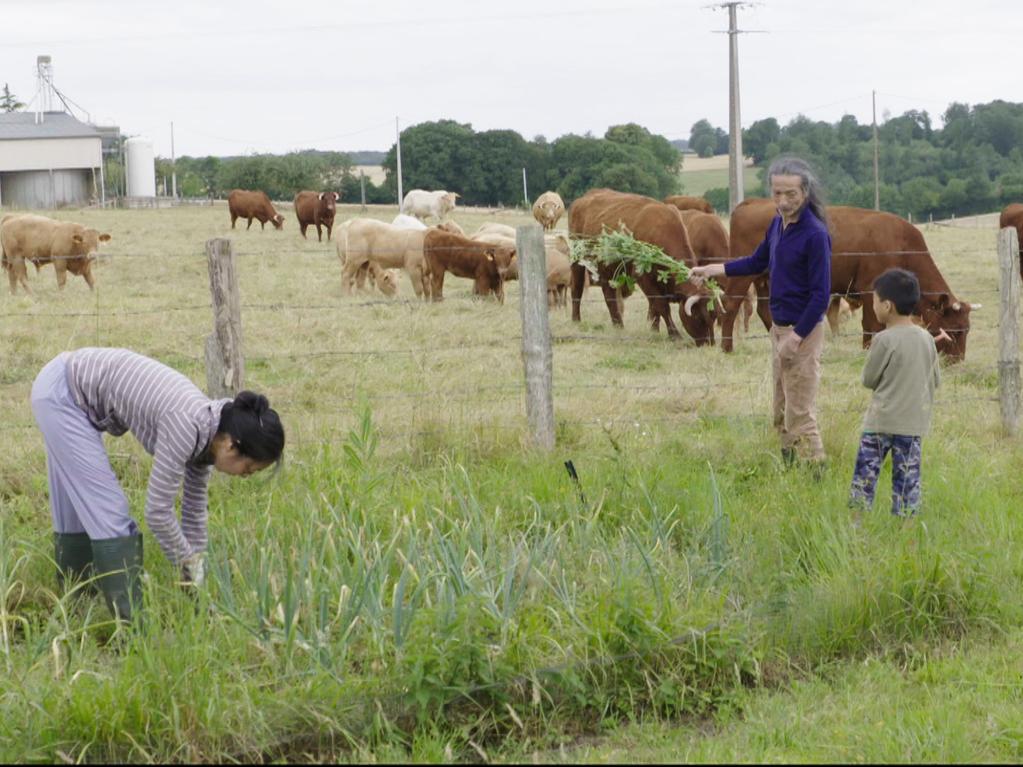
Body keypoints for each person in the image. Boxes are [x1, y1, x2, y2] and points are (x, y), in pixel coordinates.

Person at [30, 347, 285, 623]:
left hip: (66, 386)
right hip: (63, 394)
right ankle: (132, 625)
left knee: (76, 510)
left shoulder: (209, 431)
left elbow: (194, 510)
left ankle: (78, 603)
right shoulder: (186, 425)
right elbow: (157, 511)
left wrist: (195, 574)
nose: (245, 476)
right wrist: (186, 561)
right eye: (249, 468)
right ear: (231, 444)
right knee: (109, 511)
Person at [690, 157, 832, 467]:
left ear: (805, 192)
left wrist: (796, 337)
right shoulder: (777, 225)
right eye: (777, 193)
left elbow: (821, 296)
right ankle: (789, 465)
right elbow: (756, 262)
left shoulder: (814, 234)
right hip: (780, 328)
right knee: (781, 406)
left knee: (800, 411)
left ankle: (817, 473)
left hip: (802, 331)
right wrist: (713, 269)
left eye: (790, 194)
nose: (782, 200)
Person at [849, 269, 940, 518]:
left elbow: (869, 379)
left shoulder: (883, 340)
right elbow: (935, 380)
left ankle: (856, 530)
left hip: (880, 423)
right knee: (907, 485)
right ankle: (906, 537)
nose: (873, 305)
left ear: (887, 306)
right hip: (913, 426)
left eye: (875, 300)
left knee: (864, 481)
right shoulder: (927, 340)